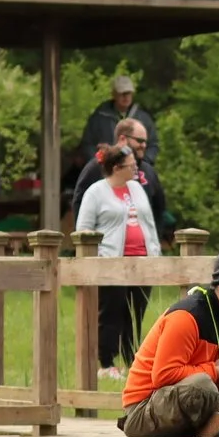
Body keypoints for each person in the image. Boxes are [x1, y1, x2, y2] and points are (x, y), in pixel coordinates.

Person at [119, 246, 219, 437]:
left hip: (194, 402)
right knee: (202, 386)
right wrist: (216, 373)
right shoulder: (185, 317)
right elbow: (163, 375)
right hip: (143, 410)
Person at [76, 141, 162, 376]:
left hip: (142, 262)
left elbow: (149, 223)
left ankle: (132, 362)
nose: (136, 169)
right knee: (112, 313)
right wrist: (97, 257)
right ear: (116, 168)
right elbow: (83, 229)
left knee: (135, 314)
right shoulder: (96, 192)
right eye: (131, 165)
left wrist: (155, 253)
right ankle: (105, 363)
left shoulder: (137, 189)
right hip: (112, 262)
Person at [80, 73, 156, 177]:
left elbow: (153, 145)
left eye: (128, 93)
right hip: (105, 173)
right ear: (114, 94)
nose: (126, 97)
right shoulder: (99, 117)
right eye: (122, 93)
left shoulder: (143, 118)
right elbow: (87, 144)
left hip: (135, 173)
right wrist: (98, 164)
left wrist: (142, 163)